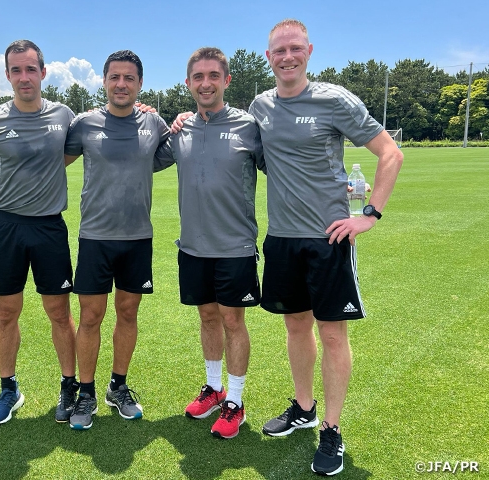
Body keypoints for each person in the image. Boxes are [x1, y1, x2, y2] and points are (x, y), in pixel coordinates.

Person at [248, 19, 403, 475]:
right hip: (281, 238)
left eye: (295, 48)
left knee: (332, 334)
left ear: (309, 51)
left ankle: (331, 430)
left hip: (329, 239)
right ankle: (304, 407)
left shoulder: (334, 99)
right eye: (279, 50)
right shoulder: (261, 104)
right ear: (268, 56)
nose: (287, 57)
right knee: (295, 327)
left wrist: (369, 214)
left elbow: (390, 153)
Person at [0, 39, 79, 425]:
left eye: (31, 69)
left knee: (58, 311)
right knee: (6, 312)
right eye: (16, 70)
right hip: (7, 227)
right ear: (7, 74)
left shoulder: (64, 115)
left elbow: (73, 150)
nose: (24, 77)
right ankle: (9, 388)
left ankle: (69, 385)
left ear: (43, 72)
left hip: (49, 227)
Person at [155, 47, 264, 439]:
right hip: (192, 248)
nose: (205, 83)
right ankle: (214, 389)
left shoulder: (249, 127)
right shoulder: (181, 130)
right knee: (206, 317)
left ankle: (235, 401)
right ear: (188, 83)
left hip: (234, 247)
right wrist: (152, 118)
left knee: (233, 320)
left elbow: (288, 166)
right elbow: (140, 158)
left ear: (226, 80)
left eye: (213, 76)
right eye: (198, 77)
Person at [63, 50, 171, 430]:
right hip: (95, 237)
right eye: (115, 77)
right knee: (91, 316)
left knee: (128, 313)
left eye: (129, 78)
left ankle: (118, 386)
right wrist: (4, 178)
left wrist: (187, 119)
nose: (121, 84)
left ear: (140, 84)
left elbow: (180, 148)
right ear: (104, 81)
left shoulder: (154, 123)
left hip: (137, 238)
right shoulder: (83, 124)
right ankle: (86, 392)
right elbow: (51, 162)